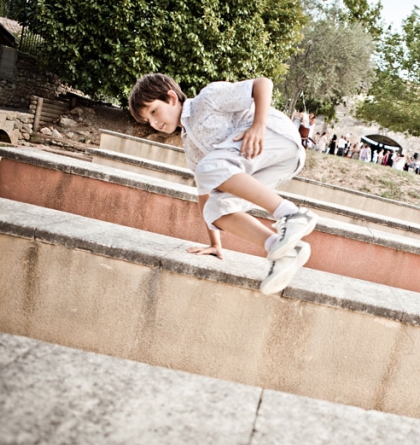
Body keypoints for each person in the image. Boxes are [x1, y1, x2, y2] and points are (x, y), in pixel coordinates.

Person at [129, 74, 319, 295]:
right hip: (271, 165)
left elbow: (262, 84)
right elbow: (204, 193)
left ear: (171, 98)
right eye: (148, 121)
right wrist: (215, 243)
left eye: (154, 112)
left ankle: (292, 215)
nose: (154, 123)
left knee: (209, 168)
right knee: (214, 209)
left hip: (276, 137)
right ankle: (285, 251)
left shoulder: (206, 99)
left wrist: (258, 125)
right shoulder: (190, 146)